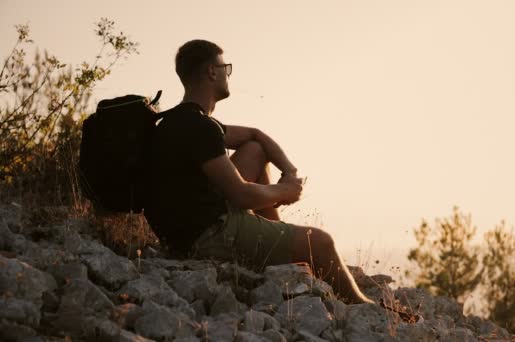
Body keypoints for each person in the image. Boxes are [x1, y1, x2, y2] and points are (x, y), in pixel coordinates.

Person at [145, 39, 396, 308]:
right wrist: (285, 191)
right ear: (211, 72)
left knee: (253, 149)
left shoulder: (179, 120)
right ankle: (364, 306)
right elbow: (241, 195)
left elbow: (256, 136)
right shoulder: (200, 128)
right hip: (207, 235)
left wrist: (289, 171)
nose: (228, 75)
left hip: (186, 228)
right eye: (225, 68)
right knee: (322, 243)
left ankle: (278, 235)